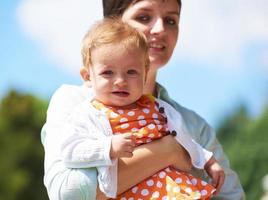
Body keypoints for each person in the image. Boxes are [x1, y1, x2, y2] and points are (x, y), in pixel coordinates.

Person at [41, 0, 245, 199]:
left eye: (171, 20)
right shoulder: (75, 102)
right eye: (144, 17)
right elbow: (69, 193)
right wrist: (169, 151)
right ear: (114, 23)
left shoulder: (193, 125)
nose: (160, 29)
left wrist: (203, 159)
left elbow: (231, 195)